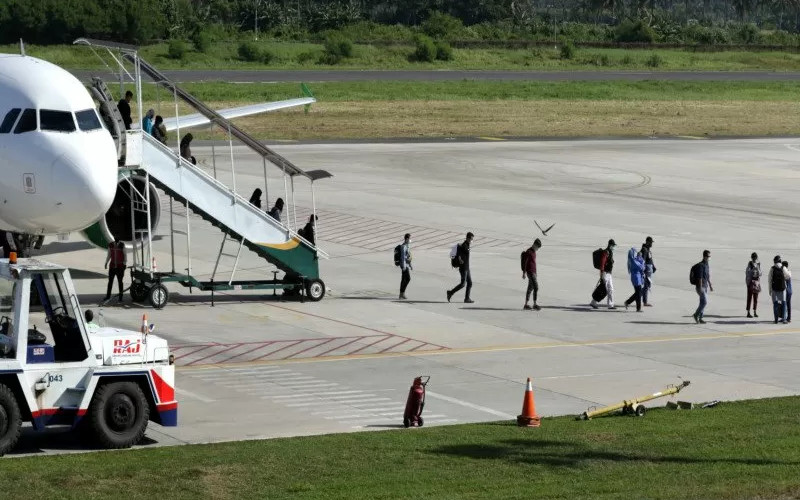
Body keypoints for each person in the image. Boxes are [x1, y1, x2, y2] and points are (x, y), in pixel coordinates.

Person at [447, 232, 474, 304]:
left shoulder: (467, 245)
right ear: (468, 238)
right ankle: (450, 292)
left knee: (470, 283)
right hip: (463, 268)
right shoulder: (464, 245)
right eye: (471, 239)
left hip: (467, 268)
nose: (472, 240)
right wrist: (460, 259)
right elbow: (459, 255)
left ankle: (467, 298)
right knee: (463, 284)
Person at [591, 239, 616, 310]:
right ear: (610, 245)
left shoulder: (610, 252)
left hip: (609, 274)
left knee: (610, 289)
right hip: (605, 273)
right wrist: (601, 274)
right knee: (603, 289)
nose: (614, 247)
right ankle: (594, 302)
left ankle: (610, 305)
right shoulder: (606, 252)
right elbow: (602, 263)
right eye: (613, 245)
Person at [693, 250, 713, 324]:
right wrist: (700, 287)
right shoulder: (701, 266)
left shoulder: (707, 265)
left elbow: (707, 276)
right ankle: (696, 315)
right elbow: (700, 277)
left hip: (705, 286)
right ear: (704, 256)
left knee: (702, 302)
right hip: (700, 287)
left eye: (710, 256)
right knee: (704, 302)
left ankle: (700, 318)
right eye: (708, 256)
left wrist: (710, 285)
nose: (709, 258)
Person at [103, 238, 127, 303]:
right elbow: (109, 255)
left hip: (120, 266)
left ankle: (120, 298)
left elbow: (125, 255)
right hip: (112, 266)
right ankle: (108, 296)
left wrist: (124, 264)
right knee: (110, 282)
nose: (116, 238)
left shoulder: (122, 245)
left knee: (120, 282)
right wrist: (106, 263)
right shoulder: (110, 245)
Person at [521, 238, 542, 310]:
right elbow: (525, 263)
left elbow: (533, 263)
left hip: (533, 272)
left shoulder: (533, 252)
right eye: (538, 247)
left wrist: (536, 273)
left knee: (530, 288)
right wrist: (524, 273)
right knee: (536, 287)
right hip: (530, 272)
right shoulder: (529, 252)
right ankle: (535, 304)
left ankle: (526, 304)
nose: (538, 249)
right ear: (535, 245)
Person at [768, 255, 789, 324]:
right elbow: (788, 276)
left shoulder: (772, 268)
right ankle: (784, 319)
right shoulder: (783, 267)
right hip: (782, 289)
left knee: (775, 304)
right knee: (784, 303)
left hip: (774, 289)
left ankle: (776, 319)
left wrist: (770, 290)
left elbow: (769, 280)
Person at [624, 248, 645, 312]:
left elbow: (642, 267)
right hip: (636, 278)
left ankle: (628, 302)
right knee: (638, 293)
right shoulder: (633, 261)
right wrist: (641, 260)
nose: (637, 254)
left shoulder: (635, 260)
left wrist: (640, 259)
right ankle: (637, 308)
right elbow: (641, 267)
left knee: (638, 292)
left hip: (638, 278)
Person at [640, 236, 656, 306]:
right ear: (647, 242)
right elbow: (643, 261)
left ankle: (638, 296)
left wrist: (653, 266)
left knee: (647, 285)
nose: (651, 244)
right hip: (646, 270)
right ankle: (644, 301)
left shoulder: (648, 249)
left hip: (649, 270)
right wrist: (643, 271)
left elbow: (650, 259)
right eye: (650, 242)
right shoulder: (644, 250)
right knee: (646, 286)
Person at [745, 252, 762, 318]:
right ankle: (748, 312)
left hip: (756, 282)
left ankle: (755, 311)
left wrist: (757, 269)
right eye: (753, 258)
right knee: (749, 297)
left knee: (755, 297)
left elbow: (760, 273)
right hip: (751, 282)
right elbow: (747, 273)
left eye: (755, 257)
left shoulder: (758, 264)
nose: (754, 259)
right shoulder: (750, 264)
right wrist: (748, 282)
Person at [399, 233, 412, 300]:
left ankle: (401, 294)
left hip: (406, 265)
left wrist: (410, 265)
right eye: (409, 238)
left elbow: (408, 256)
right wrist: (404, 267)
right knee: (408, 279)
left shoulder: (407, 246)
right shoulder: (403, 246)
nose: (410, 240)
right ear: (406, 239)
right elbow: (403, 257)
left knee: (404, 279)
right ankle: (402, 293)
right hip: (404, 266)